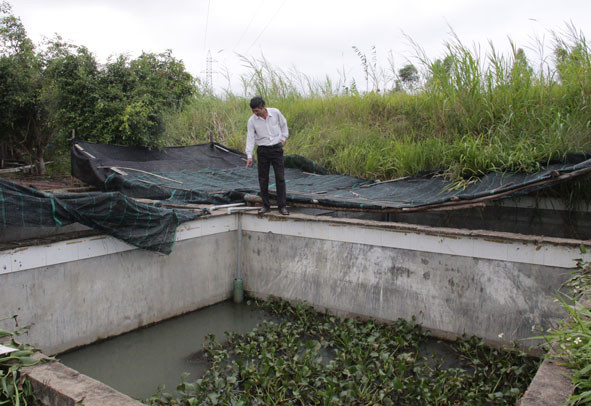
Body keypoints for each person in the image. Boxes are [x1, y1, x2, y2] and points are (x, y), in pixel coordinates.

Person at [245, 96, 289, 215]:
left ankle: (282, 206)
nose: (255, 113)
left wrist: (283, 138)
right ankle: (266, 205)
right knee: (263, 179)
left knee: (280, 178)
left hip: (276, 149)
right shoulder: (252, 121)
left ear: (263, 107)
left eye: (257, 111)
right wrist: (249, 156)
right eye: (253, 111)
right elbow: (250, 138)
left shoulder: (275, 113)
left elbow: (284, 125)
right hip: (263, 151)